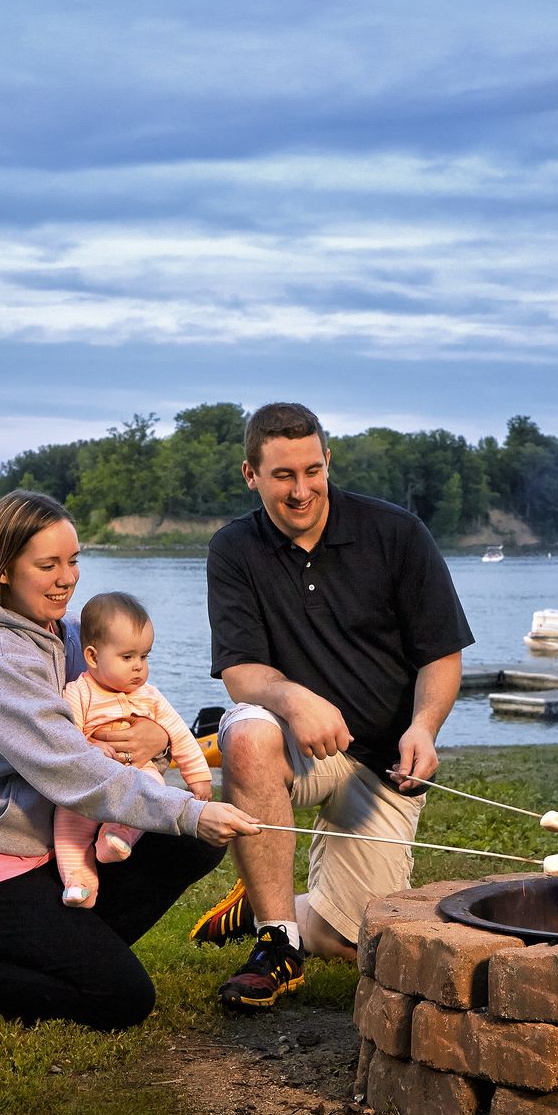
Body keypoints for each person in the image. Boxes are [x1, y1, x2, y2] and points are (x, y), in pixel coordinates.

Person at [0, 490, 260, 1030]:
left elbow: (130, 697)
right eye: (48, 564)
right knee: (121, 1000)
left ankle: (67, 949)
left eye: (74, 560)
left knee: (189, 846)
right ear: (4, 569)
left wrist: (154, 735)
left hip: (55, 854)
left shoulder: (72, 635)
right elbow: (71, 770)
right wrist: (188, 808)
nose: (67, 577)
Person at [196, 402, 473, 1010]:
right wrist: (296, 700)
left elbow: (441, 656)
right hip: (297, 750)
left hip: (382, 765)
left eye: (312, 471)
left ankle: (275, 902)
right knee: (245, 733)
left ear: (328, 462)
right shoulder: (234, 550)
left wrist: (424, 729)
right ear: (251, 474)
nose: (301, 491)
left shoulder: (396, 533)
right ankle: (275, 945)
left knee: (350, 942)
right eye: (282, 476)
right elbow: (241, 674)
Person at [54, 590, 216, 908]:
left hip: (137, 772)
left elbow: (180, 733)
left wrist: (198, 775)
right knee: (69, 823)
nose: (139, 668)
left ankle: (118, 836)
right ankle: (78, 882)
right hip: (91, 781)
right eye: (127, 657)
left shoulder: (150, 696)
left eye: (145, 657)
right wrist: (92, 746)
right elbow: (65, 737)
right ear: (92, 656)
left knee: (152, 789)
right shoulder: (78, 693)